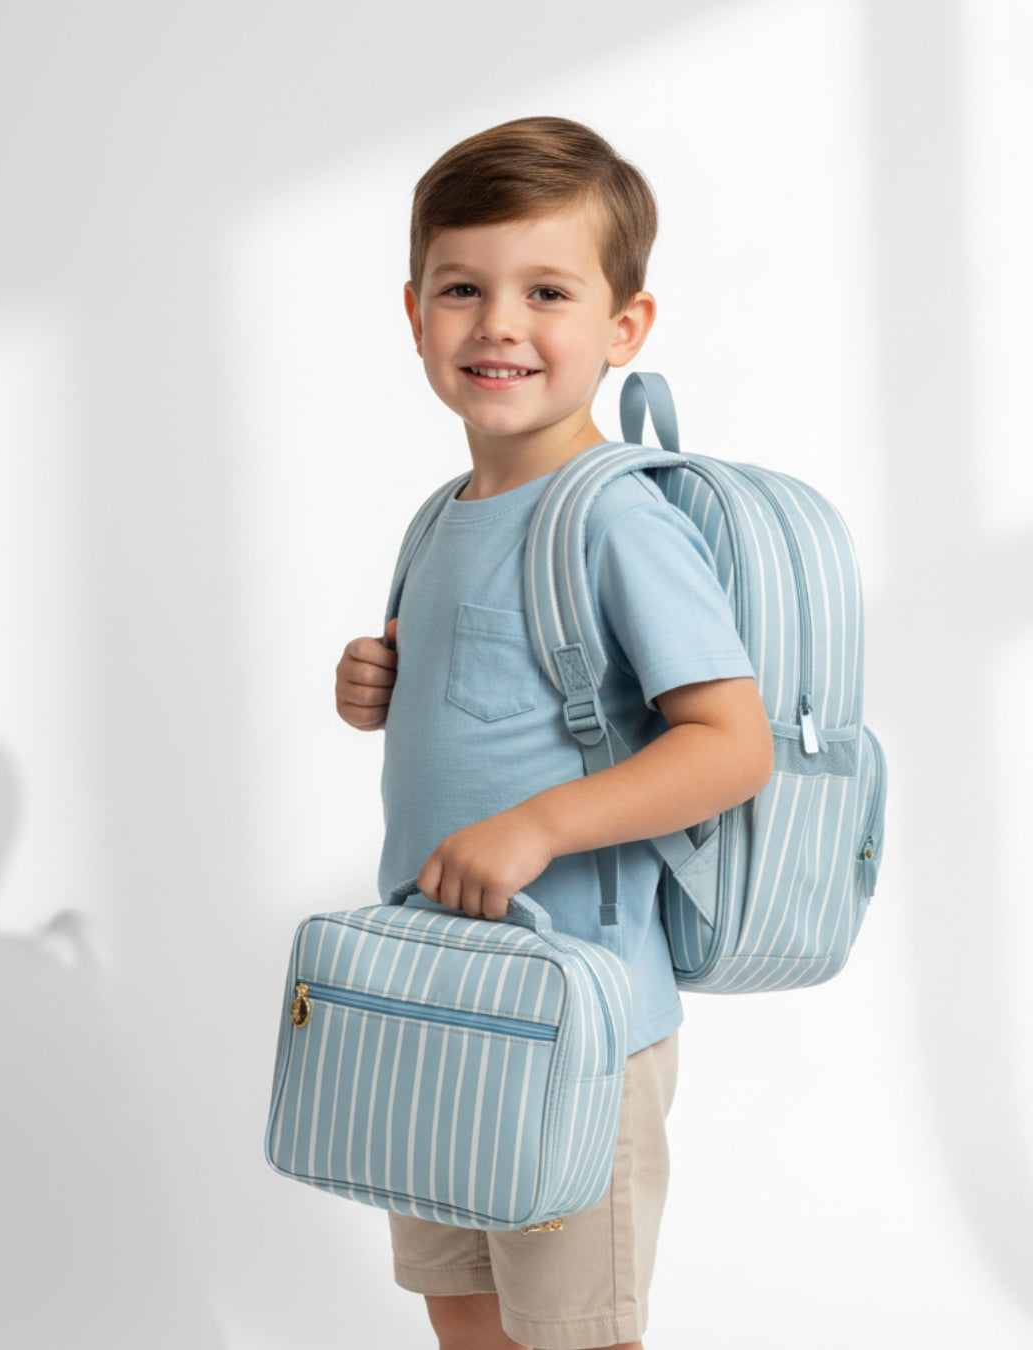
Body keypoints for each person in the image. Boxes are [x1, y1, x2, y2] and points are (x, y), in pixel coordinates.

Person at [334, 116, 773, 1350]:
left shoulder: (618, 520)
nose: (499, 325)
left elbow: (731, 743)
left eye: (546, 292)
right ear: (414, 312)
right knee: (464, 1308)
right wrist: (381, 681)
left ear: (624, 327)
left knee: (574, 1329)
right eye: (461, 289)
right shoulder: (441, 517)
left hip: (577, 1018)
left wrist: (536, 826)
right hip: (437, 998)